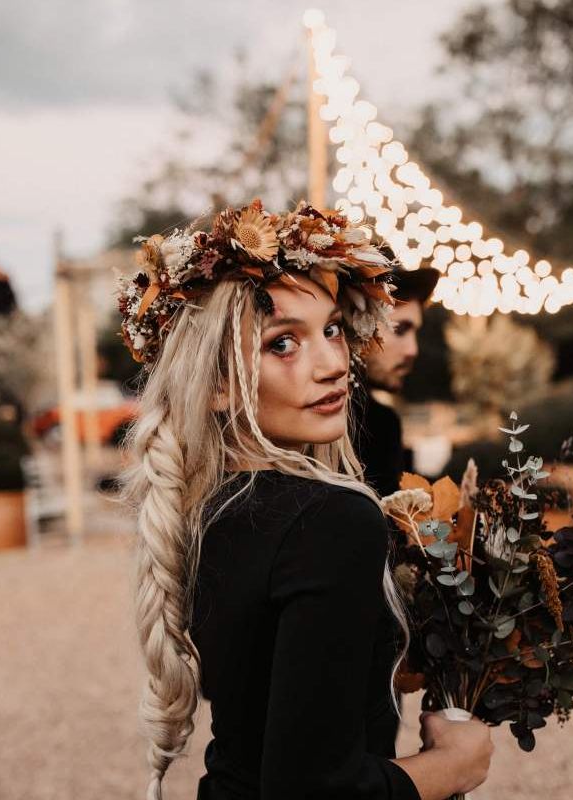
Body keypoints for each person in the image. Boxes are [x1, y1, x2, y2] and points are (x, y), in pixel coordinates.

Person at [118, 200, 493, 800]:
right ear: (216, 384)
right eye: (282, 343)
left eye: (333, 330)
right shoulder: (330, 519)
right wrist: (456, 764)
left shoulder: (210, 506)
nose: (333, 365)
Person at [352, 249, 440, 497]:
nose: (413, 350)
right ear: (356, 325)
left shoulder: (379, 421)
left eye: (415, 333)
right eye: (400, 329)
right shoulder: (373, 424)